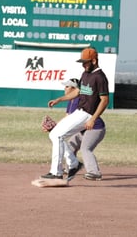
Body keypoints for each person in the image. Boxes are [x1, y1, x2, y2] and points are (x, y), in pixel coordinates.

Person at [40, 47, 109, 181]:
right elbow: (77, 92)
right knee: (54, 134)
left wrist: (93, 119)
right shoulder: (85, 74)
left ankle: (57, 172)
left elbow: (105, 100)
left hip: (88, 114)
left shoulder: (100, 77)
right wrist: (59, 99)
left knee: (59, 135)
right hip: (79, 111)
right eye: (82, 62)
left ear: (94, 61)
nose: (84, 65)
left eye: (86, 62)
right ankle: (73, 164)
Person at [53, 78, 106, 181]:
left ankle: (94, 173)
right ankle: (71, 168)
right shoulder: (71, 101)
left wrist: (56, 128)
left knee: (85, 148)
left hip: (95, 128)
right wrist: (55, 127)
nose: (65, 88)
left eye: (67, 86)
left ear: (74, 88)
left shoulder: (79, 101)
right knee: (71, 145)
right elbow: (67, 118)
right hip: (83, 129)